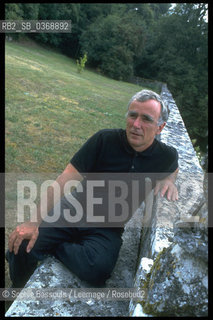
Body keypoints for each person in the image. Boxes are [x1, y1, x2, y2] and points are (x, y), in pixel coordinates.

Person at [6, 89, 179, 288]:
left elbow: (174, 166)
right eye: (133, 115)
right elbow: (64, 181)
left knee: (97, 270)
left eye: (146, 119)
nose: (136, 125)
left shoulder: (165, 155)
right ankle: (17, 288)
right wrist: (33, 222)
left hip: (107, 226)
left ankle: (53, 247)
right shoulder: (104, 140)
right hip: (72, 210)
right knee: (20, 246)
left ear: (160, 127)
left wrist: (169, 180)